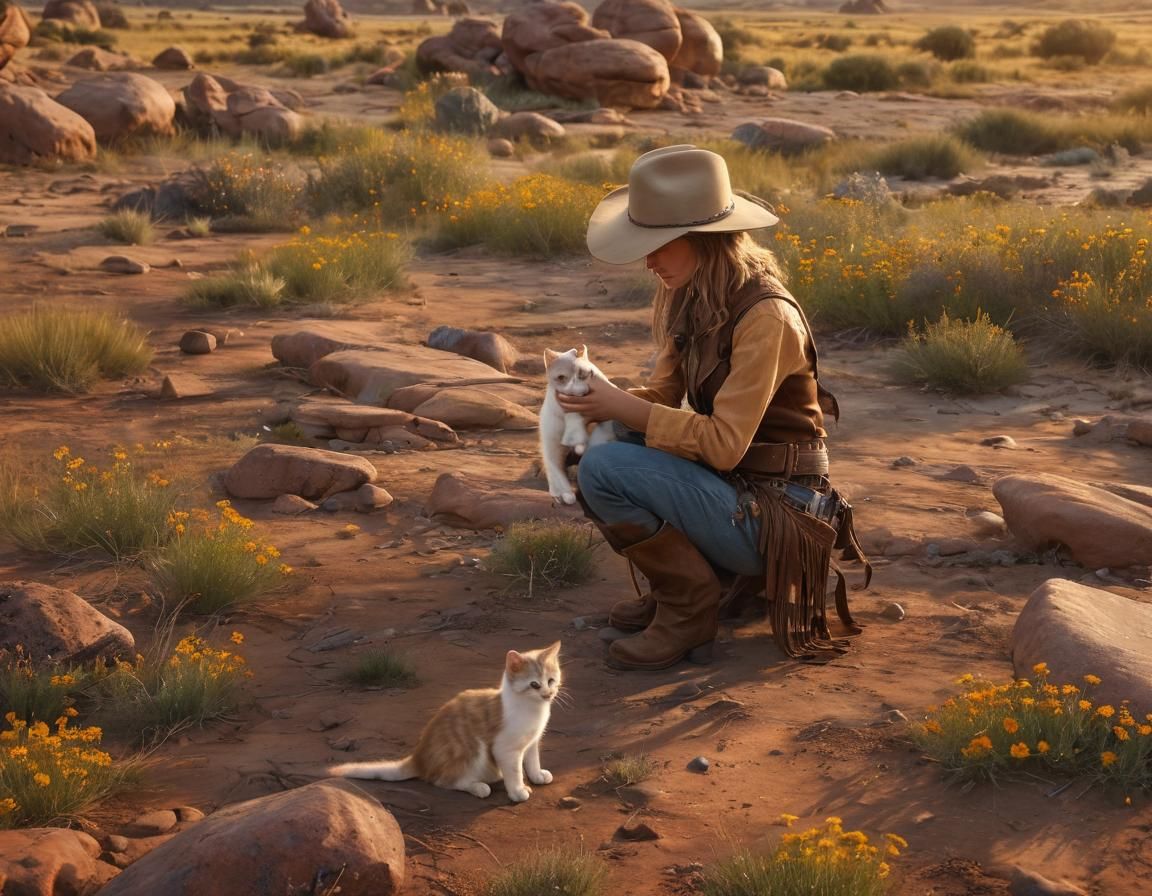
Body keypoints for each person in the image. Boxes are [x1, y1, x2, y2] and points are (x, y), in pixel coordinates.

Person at [557, 144, 868, 672]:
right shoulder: (693, 297)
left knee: (606, 467)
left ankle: (690, 611)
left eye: (660, 245)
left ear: (706, 240)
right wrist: (598, 401)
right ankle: (683, 588)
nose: (649, 262)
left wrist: (619, 408)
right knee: (597, 442)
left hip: (777, 516)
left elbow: (724, 445)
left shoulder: (765, 317)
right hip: (735, 492)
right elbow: (659, 399)